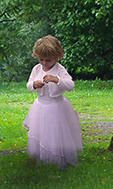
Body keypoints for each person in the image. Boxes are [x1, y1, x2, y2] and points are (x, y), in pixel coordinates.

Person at [23, 35, 82, 168]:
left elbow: (70, 85)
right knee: (41, 131)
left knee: (57, 132)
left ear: (57, 57)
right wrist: (34, 84)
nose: (44, 63)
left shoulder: (59, 69)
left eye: (48, 60)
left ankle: (61, 157)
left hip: (57, 106)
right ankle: (43, 157)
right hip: (40, 106)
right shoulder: (36, 69)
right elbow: (29, 85)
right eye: (41, 59)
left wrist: (57, 80)